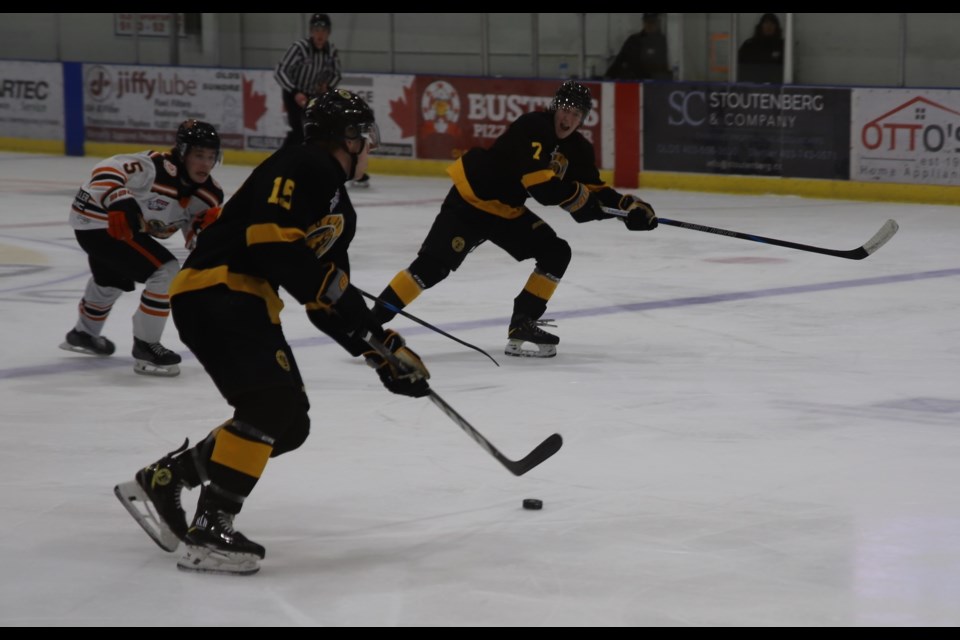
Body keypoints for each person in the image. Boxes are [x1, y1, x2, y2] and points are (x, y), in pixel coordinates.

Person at [114, 89, 430, 575]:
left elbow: (327, 303)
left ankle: (167, 478)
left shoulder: (340, 210)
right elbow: (270, 241)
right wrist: (342, 301)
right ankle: (211, 530)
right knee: (271, 407)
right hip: (216, 288)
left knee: (289, 423)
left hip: (246, 301)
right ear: (344, 139)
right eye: (364, 137)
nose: (369, 146)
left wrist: (383, 349)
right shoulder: (304, 165)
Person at [371, 81, 658, 359]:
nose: (568, 118)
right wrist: (582, 200)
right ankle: (369, 324)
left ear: (583, 119)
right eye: (565, 110)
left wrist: (629, 208)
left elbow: (595, 189)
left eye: (576, 114)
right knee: (431, 268)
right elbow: (541, 188)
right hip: (472, 199)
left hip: (505, 210)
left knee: (556, 252)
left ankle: (523, 323)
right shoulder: (534, 126)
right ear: (554, 107)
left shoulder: (578, 149)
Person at [60, 120, 224, 377]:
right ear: (182, 153)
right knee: (166, 270)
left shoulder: (209, 195)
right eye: (198, 155)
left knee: (111, 278)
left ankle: (83, 334)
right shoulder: (153, 167)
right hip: (98, 220)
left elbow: (196, 239)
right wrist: (118, 199)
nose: (205, 163)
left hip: (99, 226)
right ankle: (146, 345)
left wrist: (208, 236)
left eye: (211, 156)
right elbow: (106, 168)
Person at [275, 13, 342, 149]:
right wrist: (295, 92)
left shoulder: (331, 51)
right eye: (316, 30)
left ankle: (304, 161)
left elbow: (336, 74)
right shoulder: (299, 48)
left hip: (313, 96)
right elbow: (280, 71)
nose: (320, 35)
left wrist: (327, 87)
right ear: (311, 31)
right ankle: (281, 161)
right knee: (300, 129)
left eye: (323, 31)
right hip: (294, 94)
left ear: (328, 33)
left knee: (316, 131)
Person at [604, 13, 671, 81]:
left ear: (657, 23)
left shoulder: (662, 42)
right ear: (643, 22)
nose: (649, 25)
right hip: (634, 83)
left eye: (652, 22)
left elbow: (664, 67)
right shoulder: (633, 40)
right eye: (647, 22)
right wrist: (607, 77)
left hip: (654, 84)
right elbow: (619, 61)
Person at [737, 13, 785, 84]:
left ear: (776, 27)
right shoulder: (749, 45)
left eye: (772, 24)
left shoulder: (782, 46)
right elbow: (738, 67)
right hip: (750, 86)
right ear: (760, 26)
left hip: (775, 87)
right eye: (766, 23)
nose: (769, 26)